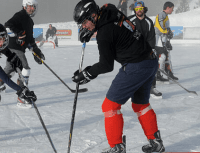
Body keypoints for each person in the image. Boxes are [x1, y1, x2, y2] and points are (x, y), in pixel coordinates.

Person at [72, 0, 165, 152]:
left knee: (109, 106)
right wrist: (91, 31)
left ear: (94, 16)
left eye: (84, 22)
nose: (83, 26)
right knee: (140, 104)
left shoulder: (104, 34)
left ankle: (116, 147)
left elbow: (106, 65)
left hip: (136, 66)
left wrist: (87, 74)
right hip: (150, 61)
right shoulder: (109, 9)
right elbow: (111, 21)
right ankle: (156, 142)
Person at [0, 0, 45, 108]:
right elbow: (7, 26)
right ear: (24, 6)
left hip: (18, 49)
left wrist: (37, 52)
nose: (32, 9)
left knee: (9, 70)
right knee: (24, 69)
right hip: (13, 48)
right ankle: (21, 97)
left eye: (33, 7)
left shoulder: (30, 22)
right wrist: (18, 33)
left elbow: (30, 40)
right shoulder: (20, 15)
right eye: (30, 6)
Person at [128, 1, 162, 99]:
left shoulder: (149, 21)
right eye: (137, 9)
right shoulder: (130, 20)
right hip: (132, 50)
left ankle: (152, 88)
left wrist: (150, 49)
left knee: (152, 66)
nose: (139, 10)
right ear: (134, 10)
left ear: (144, 9)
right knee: (133, 70)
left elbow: (151, 37)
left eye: (140, 8)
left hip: (146, 49)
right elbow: (124, 34)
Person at [154, 1, 178, 82]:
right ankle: (157, 74)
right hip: (157, 38)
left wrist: (169, 35)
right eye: (172, 9)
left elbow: (166, 28)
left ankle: (168, 73)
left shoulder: (166, 16)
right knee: (160, 57)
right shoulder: (161, 15)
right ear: (167, 8)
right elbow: (159, 26)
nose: (172, 10)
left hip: (162, 38)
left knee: (167, 55)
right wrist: (166, 32)